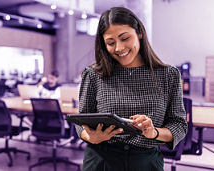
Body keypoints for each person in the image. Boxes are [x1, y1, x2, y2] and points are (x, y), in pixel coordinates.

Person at [75, 7, 188, 171]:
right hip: (101, 160)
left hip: (146, 161)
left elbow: (179, 125)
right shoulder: (93, 75)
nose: (119, 48)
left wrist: (153, 132)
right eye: (110, 43)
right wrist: (90, 136)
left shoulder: (168, 75)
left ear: (139, 33)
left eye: (125, 38)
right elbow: (81, 121)